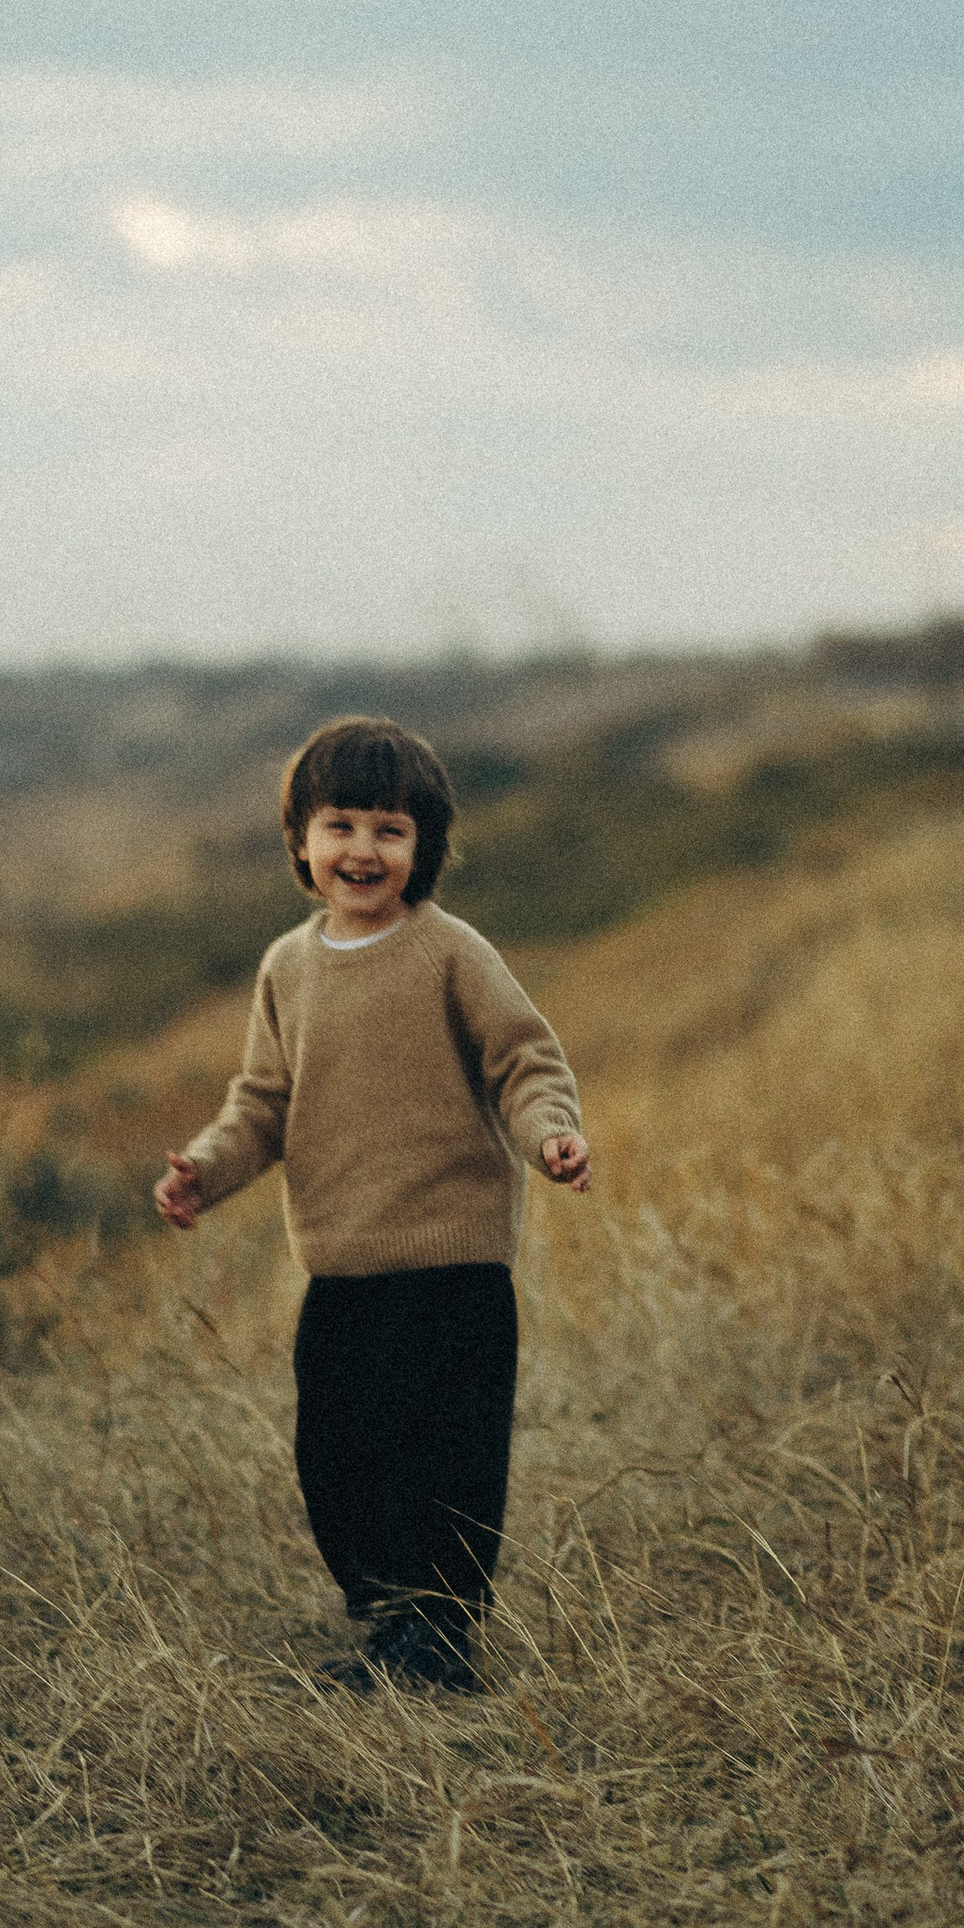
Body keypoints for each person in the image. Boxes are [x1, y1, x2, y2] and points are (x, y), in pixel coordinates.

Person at [153, 718, 590, 1693]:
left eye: (389, 830)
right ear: (301, 843)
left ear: (423, 848)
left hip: (452, 1267)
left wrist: (549, 1133)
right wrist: (206, 1171)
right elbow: (261, 1104)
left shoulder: (449, 953)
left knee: (442, 1459)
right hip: (341, 1268)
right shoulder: (288, 968)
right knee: (338, 1458)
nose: (362, 850)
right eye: (339, 825)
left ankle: (441, 1640)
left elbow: (523, 1059)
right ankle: (390, 1623)